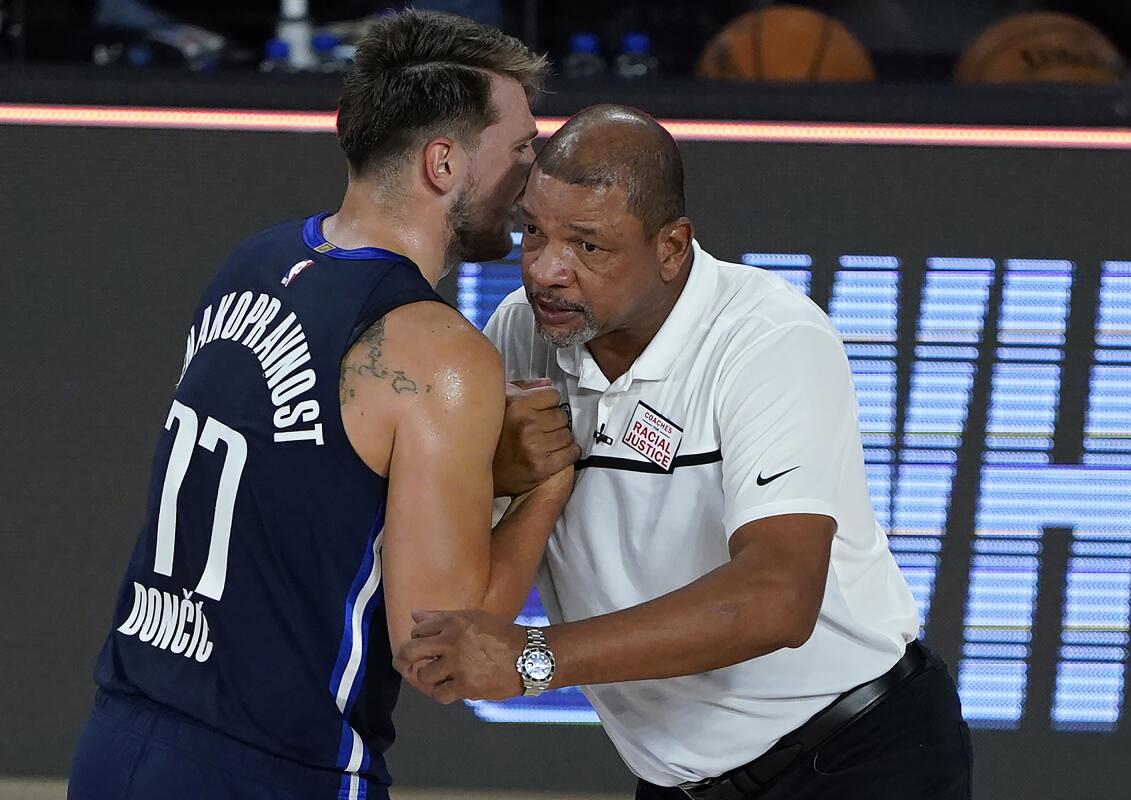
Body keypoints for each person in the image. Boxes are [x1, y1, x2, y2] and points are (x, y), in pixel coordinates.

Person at [395, 104, 974, 800]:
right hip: (677, 781)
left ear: (672, 247)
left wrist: (535, 656)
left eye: (588, 245)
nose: (547, 269)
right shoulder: (519, 335)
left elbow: (777, 598)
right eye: (533, 234)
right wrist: (517, 482)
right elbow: (471, 583)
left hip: (856, 757)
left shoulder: (768, 339)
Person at [68, 11, 577, 800]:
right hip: (271, 767)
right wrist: (542, 487)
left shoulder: (255, 259)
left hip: (120, 738)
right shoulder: (435, 351)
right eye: (519, 149)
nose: (534, 176)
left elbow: (308, 491)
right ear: (443, 163)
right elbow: (442, 653)